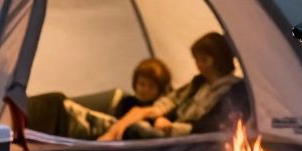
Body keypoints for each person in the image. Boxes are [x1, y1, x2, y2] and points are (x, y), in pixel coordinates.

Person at [100, 32, 242, 140]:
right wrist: (152, 112)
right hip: (166, 126)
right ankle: (105, 135)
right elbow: (170, 101)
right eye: (197, 60)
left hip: (183, 139)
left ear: (220, 60)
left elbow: (212, 126)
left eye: (204, 60)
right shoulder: (199, 83)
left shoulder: (233, 91)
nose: (198, 66)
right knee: (134, 114)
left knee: (135, 128)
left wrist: (172, 127)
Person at [26, 58, 172, 140]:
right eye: (142, 84)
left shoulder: (158, 110)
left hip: (100, 130)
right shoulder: (127, 101)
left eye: (151, 86)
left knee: (55, 102)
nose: (144, 90)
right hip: (101, 125)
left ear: (160, 89)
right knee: (55, 102)